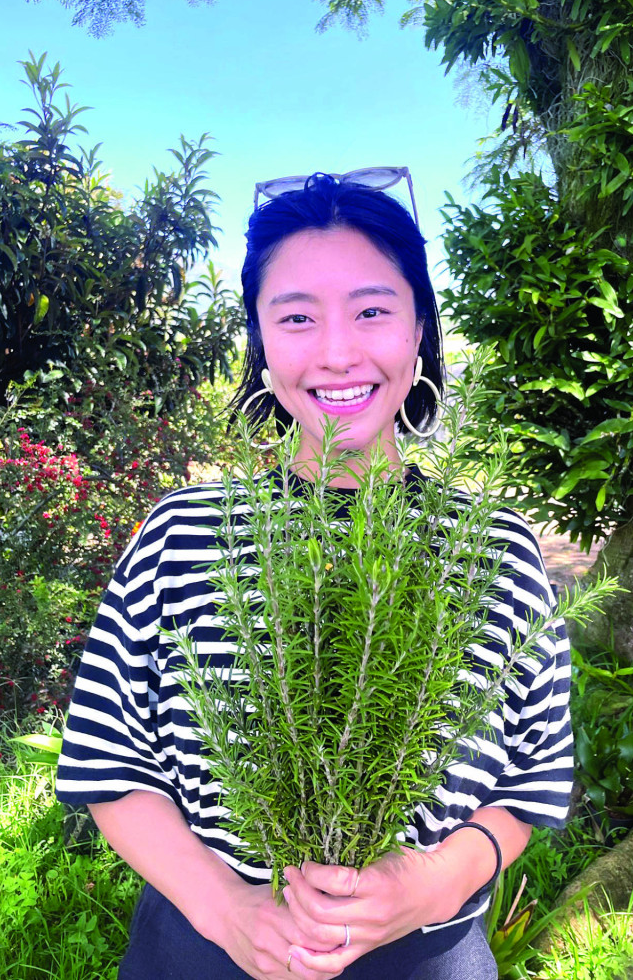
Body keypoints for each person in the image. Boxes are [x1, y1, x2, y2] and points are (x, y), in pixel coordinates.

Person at [55, 170, 573, 980]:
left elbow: (534, 776)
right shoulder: (185, 533)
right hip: (204, 950)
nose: (337, 351)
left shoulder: (497, 549)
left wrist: (429, 883)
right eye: (296, 316)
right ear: (261, 344)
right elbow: (106, 760)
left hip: (427, 956)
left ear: (419, 330)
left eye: (372, 309)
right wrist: (229, 910)